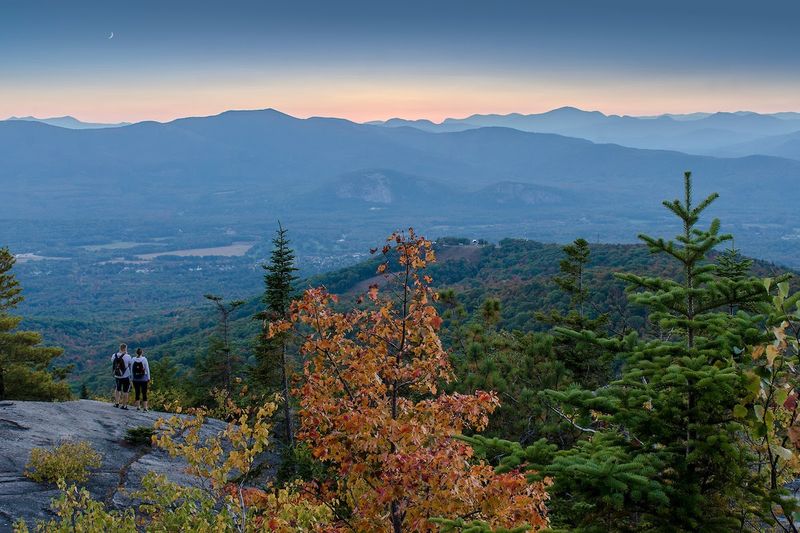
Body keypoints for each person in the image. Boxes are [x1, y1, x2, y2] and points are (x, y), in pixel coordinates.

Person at [111, 343, 132, 410]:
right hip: (126, 376)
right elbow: (130, 364)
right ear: (125, 348)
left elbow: (113, 362)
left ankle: (116, 403)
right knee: (125, 391)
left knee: (117, 389)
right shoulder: (128, 356)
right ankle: (124, 405)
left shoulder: (114, 355)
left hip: (117, 376)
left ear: (120, 348)